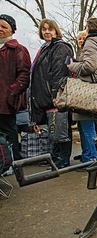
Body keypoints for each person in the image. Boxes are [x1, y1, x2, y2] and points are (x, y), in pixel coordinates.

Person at [67, 17, 97, 163]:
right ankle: (88, 155)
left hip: (86, 90)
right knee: (89, 126)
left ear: (89, 28)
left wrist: (72, 66)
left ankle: (92, 159)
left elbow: (88, 66)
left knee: (86, 128)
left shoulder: (90, 43)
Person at [30, 19, 74, 168]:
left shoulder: (60, 47)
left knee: (61, 128)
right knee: (55, 128)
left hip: (56, 96)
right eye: (44, 29)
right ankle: (56, 159)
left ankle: (62, 160)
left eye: (50, 29)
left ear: (56, 31)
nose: (47, 32)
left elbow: (59, 72)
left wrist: (56, 94)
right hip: (47, 97)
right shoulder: (45, 48)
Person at [0, 14, 31, 161]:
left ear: (12, 30)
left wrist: (10, 94)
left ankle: (13, 162)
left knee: (9, 131)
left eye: (4, 27)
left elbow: (24, 76)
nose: (0, 29)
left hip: (6, 102)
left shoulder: (18, 50)